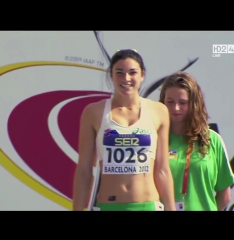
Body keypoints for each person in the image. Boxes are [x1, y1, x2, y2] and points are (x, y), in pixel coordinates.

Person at [73, 49, 176, 211]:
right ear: (111, 75)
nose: (126, 78)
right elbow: (84, 170)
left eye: (132, 72)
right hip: (109, 206)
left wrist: (171, 208)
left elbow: (162, 169)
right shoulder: (93, 112)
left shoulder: (159, 111)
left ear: (142, 75)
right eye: (119, 73)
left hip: (147, 205)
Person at [159, 71, 234, 211]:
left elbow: (225, 195)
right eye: (170, 102)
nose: (175, 108)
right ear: (162, 102)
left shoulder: (211, 139)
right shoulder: (155, 139)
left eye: (183, 103)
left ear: (194, 104)